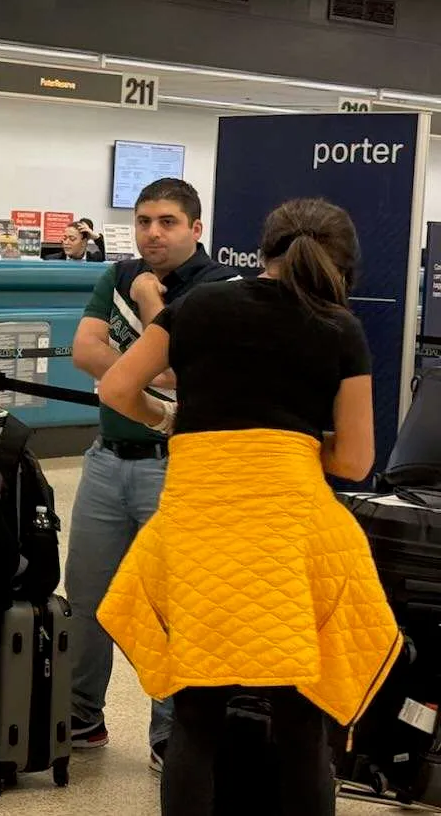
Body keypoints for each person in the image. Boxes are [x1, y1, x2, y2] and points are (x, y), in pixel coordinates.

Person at [96, 198, 402, 816]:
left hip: (197, 532)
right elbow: (354, 463)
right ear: (341, 265)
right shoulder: (339, 327)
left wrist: (168, 418)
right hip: (288, 543)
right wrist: (287, 444)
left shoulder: (199, 306)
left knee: (196, 716)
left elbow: (117, 387)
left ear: (262, 252)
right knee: (300, 722)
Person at [65, 178, 239, 771]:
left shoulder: (221, 289)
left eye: (167, 222)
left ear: (196, 228)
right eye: (143, 222)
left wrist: (146, 306)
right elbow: (85, 350)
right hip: (107, 458)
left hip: (177, 469)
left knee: (171, 603)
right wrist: (153, 372)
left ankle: (170, 732)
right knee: (89, 596)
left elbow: (197, 370)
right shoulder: (114, 275)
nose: (152, 233)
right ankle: (82, 715)